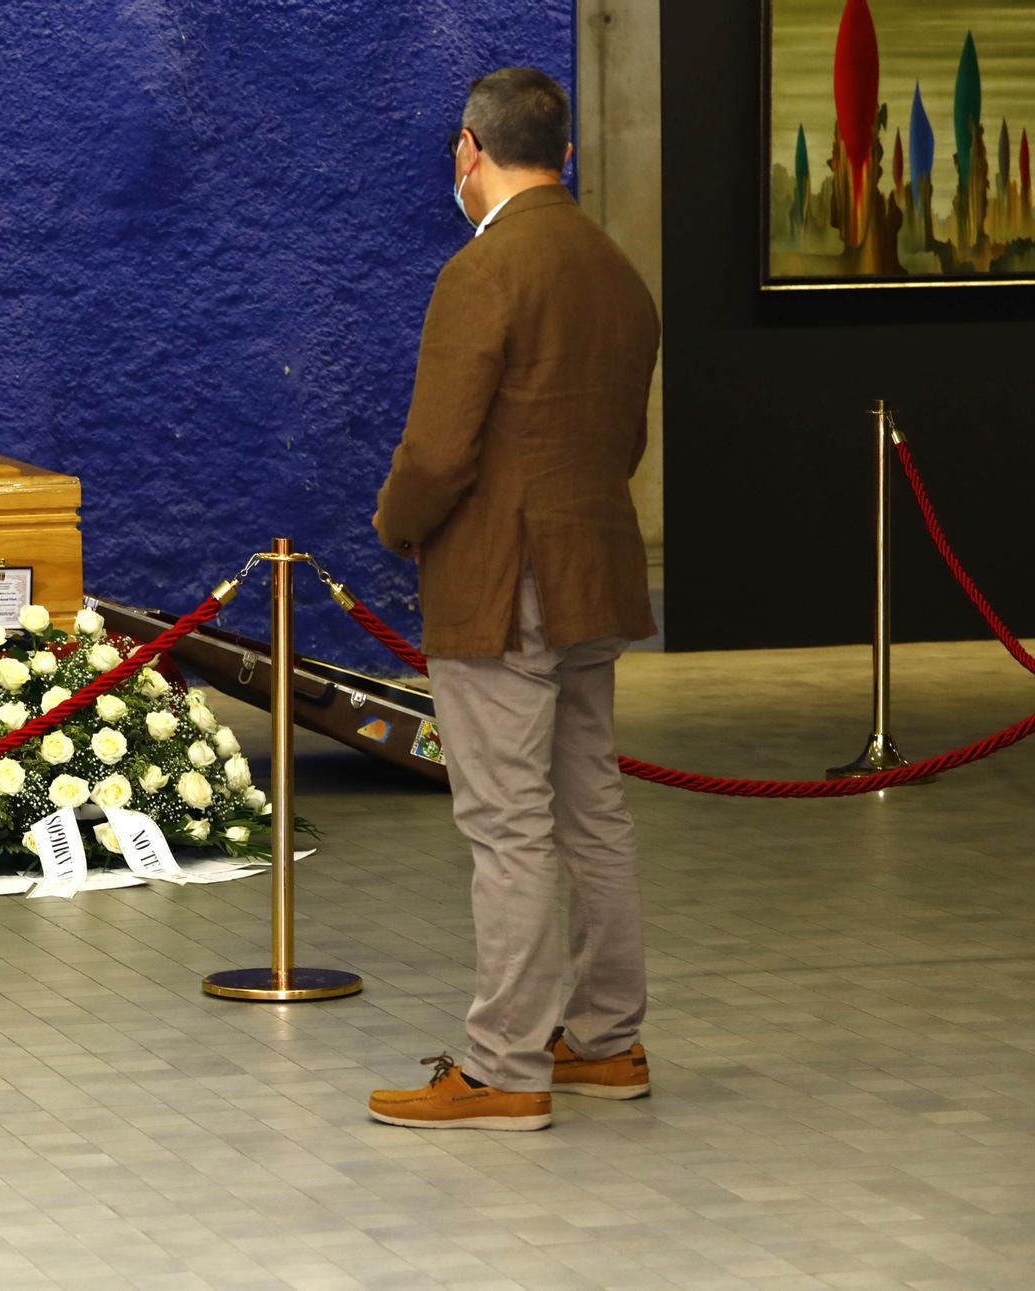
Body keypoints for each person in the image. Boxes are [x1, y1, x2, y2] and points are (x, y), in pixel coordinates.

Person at [366, 68, 661, 1131]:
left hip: (501, 586)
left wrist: (395, 525)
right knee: (592, 811)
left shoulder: (480, 273)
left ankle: (502, 1069)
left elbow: (437, 452)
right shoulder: (615, 271)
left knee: (506, 826)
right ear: (566, 155)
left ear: (465, 152)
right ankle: (604, 1043)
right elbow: (620, 443)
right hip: (594, 576)